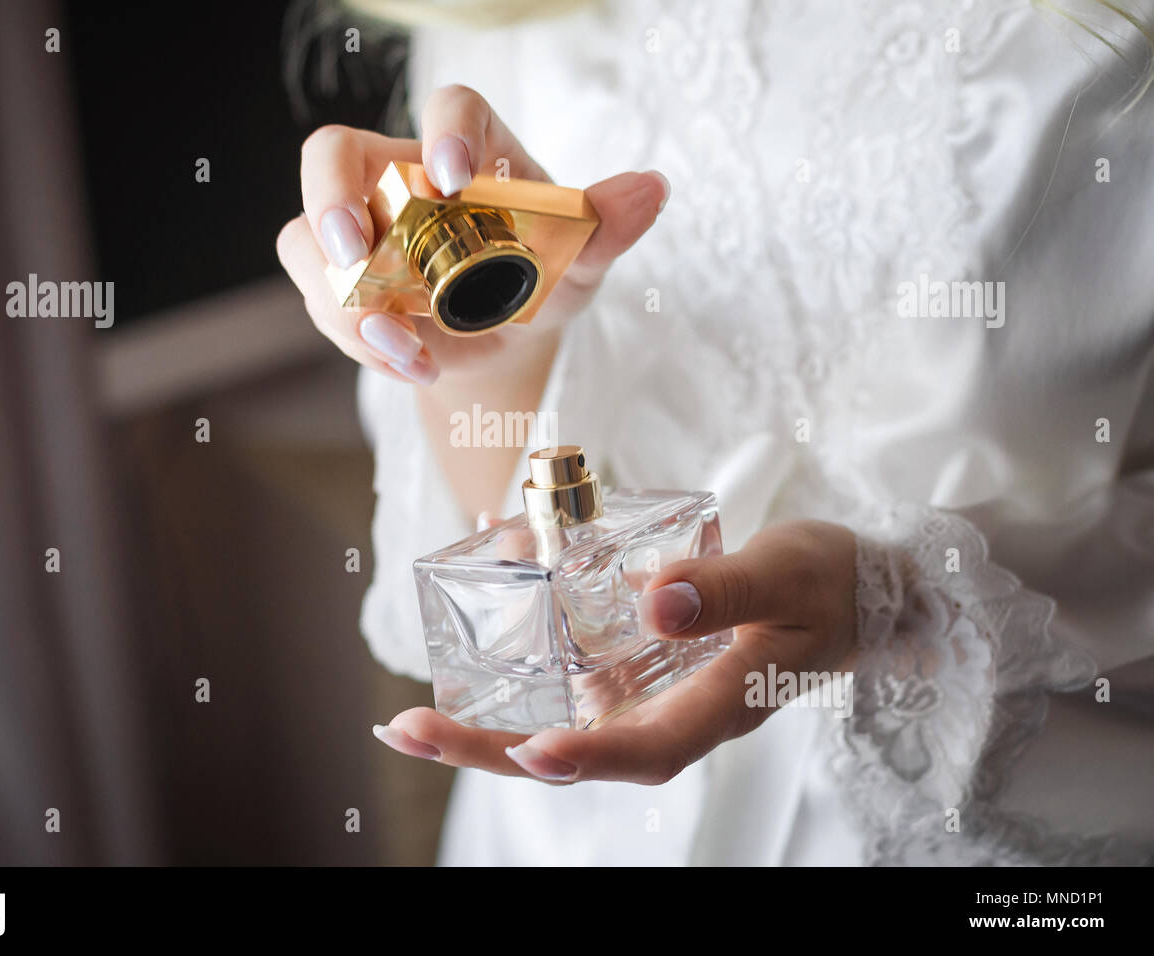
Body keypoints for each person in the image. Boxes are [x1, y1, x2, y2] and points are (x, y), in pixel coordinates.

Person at [278, 0, 1154, 865]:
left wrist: (899, 596)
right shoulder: (513, 19)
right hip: (568, 836)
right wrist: (497, 355)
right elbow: (509, 534)